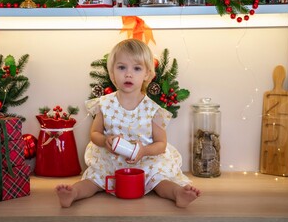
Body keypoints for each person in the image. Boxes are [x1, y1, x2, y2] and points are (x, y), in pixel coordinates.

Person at [56, 39, 200, 208]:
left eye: (136, 68)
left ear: (147, 74)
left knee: (158, 178)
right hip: (110, 159)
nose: (128, 74)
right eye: (122, 67)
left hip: (143, 160)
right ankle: (73, 193)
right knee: (94, 179)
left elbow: (161, 144)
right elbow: (94, 134)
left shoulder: (153, 110)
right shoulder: (105, 104)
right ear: (112, 73)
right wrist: (104, 141)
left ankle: (178, 193)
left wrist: (144, 151)